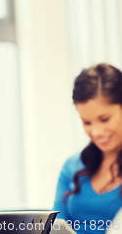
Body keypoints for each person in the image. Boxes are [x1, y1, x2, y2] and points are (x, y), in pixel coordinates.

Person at [53, 63, 122, 234]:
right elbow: (56, 225)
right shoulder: (71, 166)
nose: (96, 132)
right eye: (87, 122)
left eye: (104, 119)